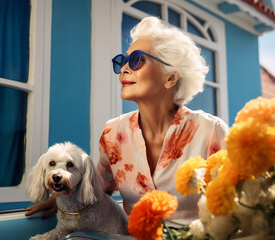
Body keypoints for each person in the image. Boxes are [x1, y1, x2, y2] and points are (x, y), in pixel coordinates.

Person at [26, 16, 229, 228]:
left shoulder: (210, 130)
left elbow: (235, 202)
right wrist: (59, 198)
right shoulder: (112, 133)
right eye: (123, 61)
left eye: (136, 60)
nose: (124, 69)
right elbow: (96, 187)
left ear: (170, 78)